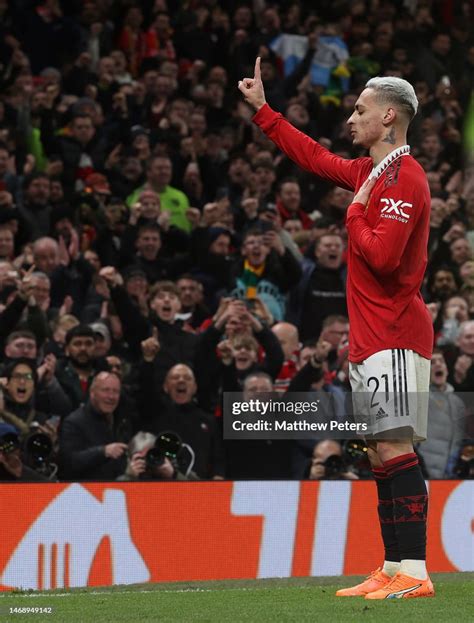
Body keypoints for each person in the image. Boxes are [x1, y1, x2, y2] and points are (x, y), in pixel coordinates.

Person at [239, 59, 434, 598]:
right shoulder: (375, 175)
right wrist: (264, 112)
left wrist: (353, 214)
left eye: (360, 110)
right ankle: (393, 567)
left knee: (395, 448)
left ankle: (415, 572)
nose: (351, 119)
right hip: (372, 337)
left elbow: (385, 257)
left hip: (395, 332)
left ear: (388, 116)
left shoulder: (404, 179)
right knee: (376, 452)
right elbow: (316, 157)